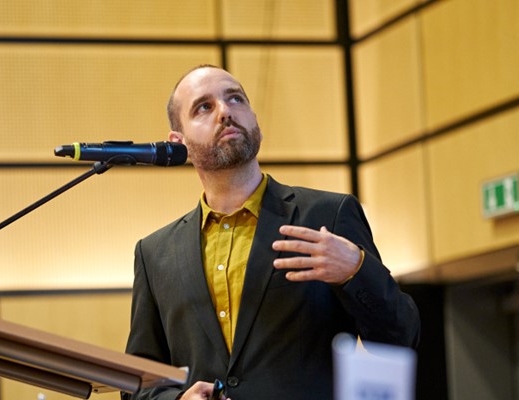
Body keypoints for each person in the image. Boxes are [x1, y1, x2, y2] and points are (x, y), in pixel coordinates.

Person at [124, 65, 420, 400]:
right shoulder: (154, 254)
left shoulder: (328, 215)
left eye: (235, 99)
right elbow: (139, 384)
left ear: (254, 119)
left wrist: (356, 270)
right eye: (204, 107)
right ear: (179, 143)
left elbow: (401, 341)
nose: (225, 112)